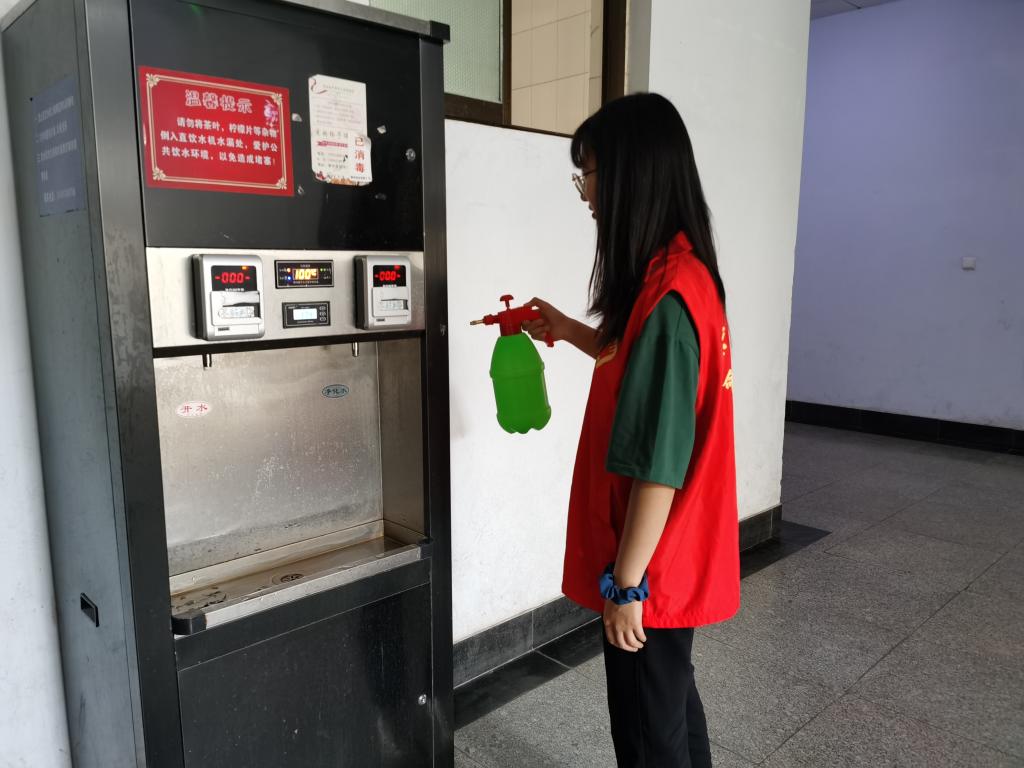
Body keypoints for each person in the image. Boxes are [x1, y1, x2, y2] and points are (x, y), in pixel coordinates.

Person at [523, 93, 739, 768]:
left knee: (647, 738)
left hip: (652, 565)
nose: (586, 193)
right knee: (671, 709)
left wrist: (626, 588)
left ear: (629, 175)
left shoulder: (669, 300)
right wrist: (568, 329)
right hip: (669, 556)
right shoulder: (674, 276)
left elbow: (658, 469)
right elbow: (631, 361)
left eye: (588, 173)